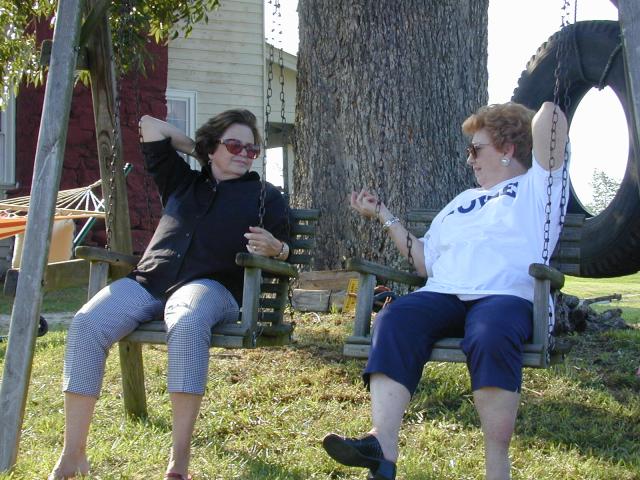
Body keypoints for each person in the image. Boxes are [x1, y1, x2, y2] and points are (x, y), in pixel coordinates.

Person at [322, 101, 569, 480]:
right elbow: (424, 262)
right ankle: (382, 445)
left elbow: (550, 118)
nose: (469, 159)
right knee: (396, 317)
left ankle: (496, 469)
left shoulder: (539, 187)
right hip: (445, 293)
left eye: (476, 149)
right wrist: (383, 214)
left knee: (490, 332)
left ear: (507, 149)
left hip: (506, 296)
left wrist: (556, 78)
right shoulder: (461, 201)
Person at [49, 109, 291, 480]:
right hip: (151, 281)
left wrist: (277, 249)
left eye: (251, 149)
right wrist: (200, 150)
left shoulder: (265, 196)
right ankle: (73, 456)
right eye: (234, 145)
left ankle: (179, 463)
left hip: (212, 287)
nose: (244, 154)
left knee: (186, 319)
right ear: (212, 146)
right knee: (86, 323)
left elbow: (285, 250)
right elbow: (149, 125)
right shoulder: (181, 181)